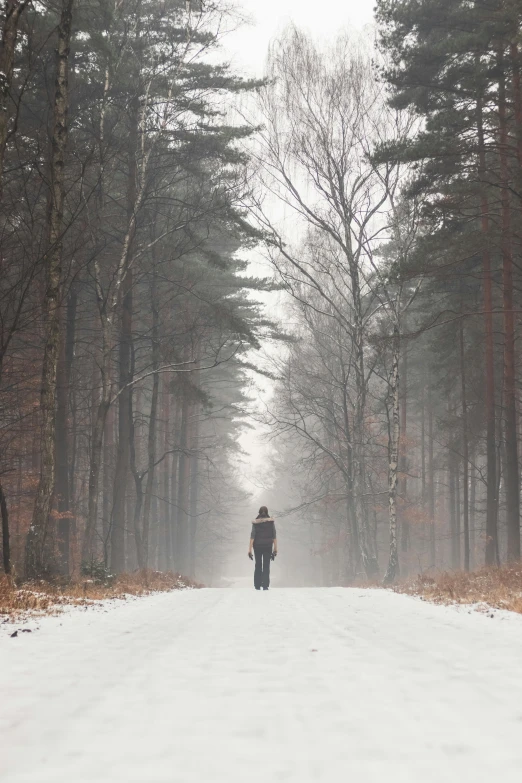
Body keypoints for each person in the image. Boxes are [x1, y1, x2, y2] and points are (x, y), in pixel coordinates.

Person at [248, 506, 277, 590]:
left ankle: (257, 585)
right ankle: (265, 585)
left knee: (258, 565)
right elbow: (274, 536)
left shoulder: (255, 523)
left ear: (259, 512)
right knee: (266, 565)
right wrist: (275, 549)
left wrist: (249, 550)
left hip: (257, 547)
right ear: (267, 512)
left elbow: (252, 536)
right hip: (268, 546)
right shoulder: (271, 523)